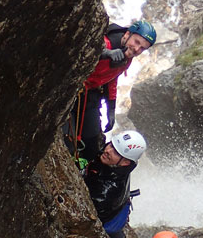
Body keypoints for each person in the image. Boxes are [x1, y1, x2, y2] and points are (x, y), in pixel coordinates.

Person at [65, 19, 156, 163]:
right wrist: (105, 53)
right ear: (127, 34)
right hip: (70, 89)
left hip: (89, 95)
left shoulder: (127, 57)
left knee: (92, 142)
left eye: (143, 48)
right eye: (137, 42)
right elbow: (80, 51)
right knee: (67, 140)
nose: (137, 49)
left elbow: (112, 79)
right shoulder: (106, 42)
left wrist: (111, 108)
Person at [84, 130, 147, 238]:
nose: (108, 150)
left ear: (125, 162)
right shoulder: (114, 165)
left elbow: (89, 217)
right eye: (112, 145)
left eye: (116, 152)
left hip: (108, 221)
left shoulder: (108, 191)